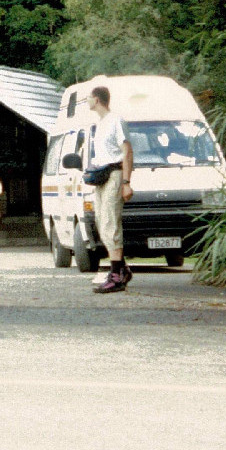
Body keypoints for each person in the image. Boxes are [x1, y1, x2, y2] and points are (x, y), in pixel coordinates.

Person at [86, 85, 134, 295]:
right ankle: (121, 268)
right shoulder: (98, 124)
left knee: (110, 222)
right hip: (102, 175)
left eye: (89, 97)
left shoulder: (116, 120)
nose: (87, 101)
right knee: (101, 222)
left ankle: (115, 276)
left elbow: (127, 151)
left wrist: (126, 182)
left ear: (96, 99)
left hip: (115, 174)